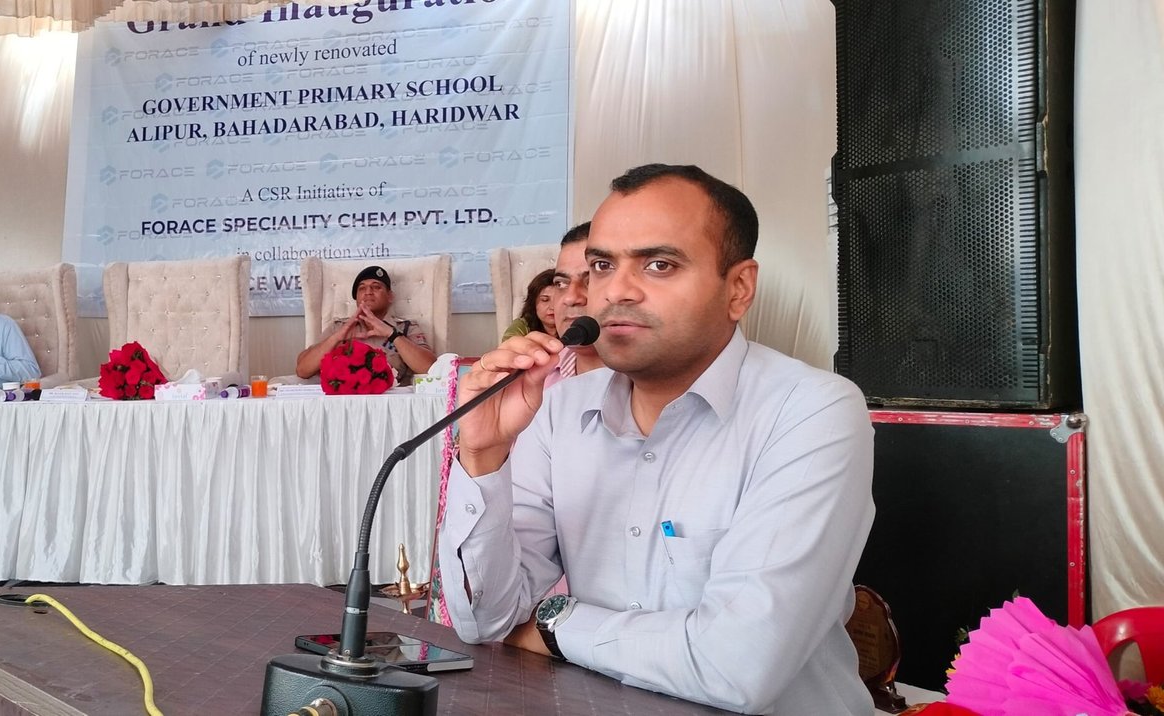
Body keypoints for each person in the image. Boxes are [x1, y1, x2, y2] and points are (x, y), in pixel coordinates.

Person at [439, 164, 875, 714]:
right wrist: (483, 455)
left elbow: (735, 665)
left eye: (659, 264)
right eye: (602, 265)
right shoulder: (560, 409)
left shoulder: (810, 411)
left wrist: (554, 622)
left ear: (738, 289)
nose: (616, 291)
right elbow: (485, 619)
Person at [295, 265, 435, 385]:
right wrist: (336, 338)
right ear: (356, 298)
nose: (368, 292)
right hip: (343, 400)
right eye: (362, 288)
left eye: (376, 287)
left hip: (392, 400)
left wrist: (392, 334)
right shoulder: (338, 327)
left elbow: (430, 368)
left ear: (390, 296)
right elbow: (303, 370)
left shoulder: (406, 328)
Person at [546, 221, 603, 388]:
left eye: (590, 281)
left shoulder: (654, 386)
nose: (570, 298)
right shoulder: (536, 374)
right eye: (561, 283)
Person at [500, 269, 560, 342]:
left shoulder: (572, 326)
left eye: (557, 300)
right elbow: (507, 345)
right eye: (545, 300)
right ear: (533, 303)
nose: (552, 307)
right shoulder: (522, 326)